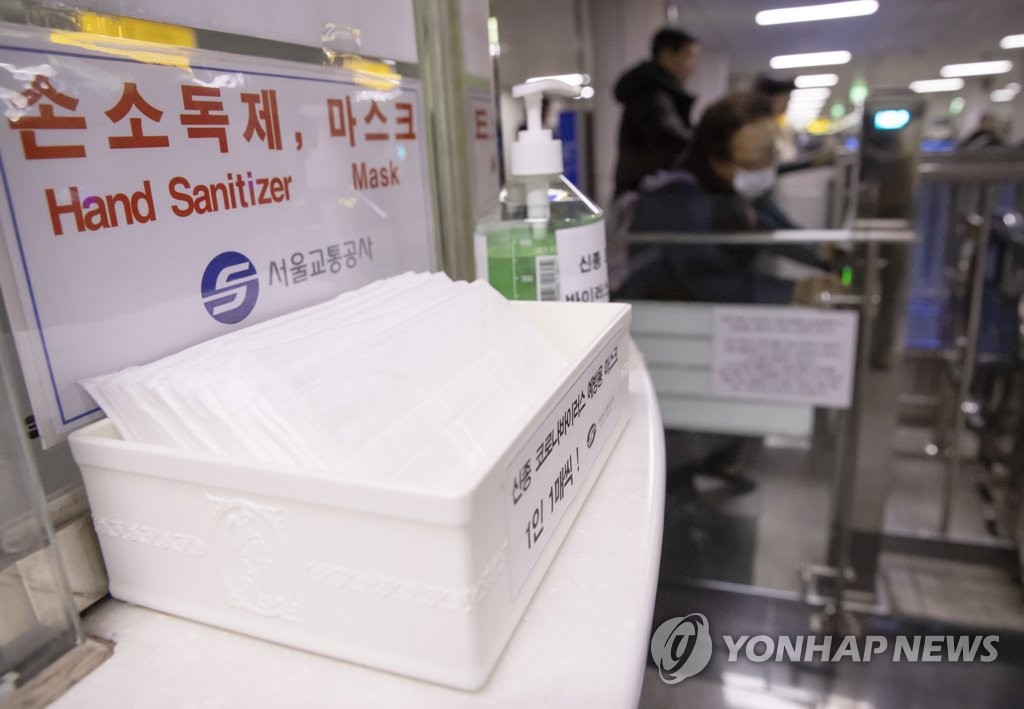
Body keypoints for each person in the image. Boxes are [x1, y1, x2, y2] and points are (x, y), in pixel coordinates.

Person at [617, 91, 832, 304]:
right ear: (718, 162)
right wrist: (797, 291)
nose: (764, 170)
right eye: (752, 163)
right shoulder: (677, 199)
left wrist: (823, 253)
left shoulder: (735, 191)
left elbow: (773, 230)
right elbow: (707, 280)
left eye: (770, 157)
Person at [613, 26, 700, 197]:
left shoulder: (655, 91)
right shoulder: (651, 94)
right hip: (645, 195)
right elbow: (670, 140)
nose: (693, 66)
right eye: (688, 56)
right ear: (666, 55)